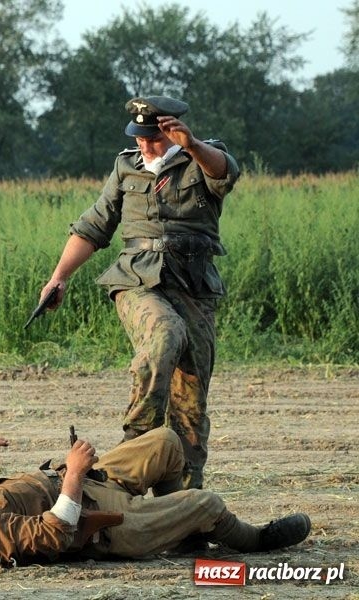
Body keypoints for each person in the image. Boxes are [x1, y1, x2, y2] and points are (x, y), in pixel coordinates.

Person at [37, 96, 240, 490]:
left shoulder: (202, 158)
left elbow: (225, 174)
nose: (146, 147)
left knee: (190, 403)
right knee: (165, 335)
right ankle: (134, 449)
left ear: (173, 131)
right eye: (141, 139)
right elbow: (93, 228)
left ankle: (180, 502)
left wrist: (193, 145)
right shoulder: (126, 166)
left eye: (155, 139)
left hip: (194, 286)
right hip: (137, 281)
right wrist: (59, 277)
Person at [0, 428, 311, 568]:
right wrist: (73, 472)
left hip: (88, 487)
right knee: (206, 503)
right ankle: (255, 540)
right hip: (105, 523)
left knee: (165, 442)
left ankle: (184, 534)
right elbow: (53, 535)